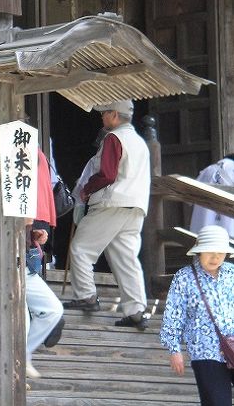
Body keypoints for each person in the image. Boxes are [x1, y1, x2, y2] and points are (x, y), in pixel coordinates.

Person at [63, 99, 151, 331]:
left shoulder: (114, 138)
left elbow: (107, 175)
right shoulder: (140, 143)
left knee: (81, 249)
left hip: (112, 203)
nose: (101, 118)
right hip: (136, 206)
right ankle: (136, 311)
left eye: (104, 114)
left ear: (113, 115)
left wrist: (86, 189)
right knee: (126, 259)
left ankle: (86, 297)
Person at [160, 225, 234, 405]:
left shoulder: (232, 274)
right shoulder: (184, 278)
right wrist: (174, 349)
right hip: (205, 351)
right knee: (217, 402)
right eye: (209, 251)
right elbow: (173, 315)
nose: (215, 257)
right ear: (199, 252)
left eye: (220, 252)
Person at [24, 148, 65, 379]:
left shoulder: (34, 152)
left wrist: (33, 232)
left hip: (24, 254)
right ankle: (21, 358)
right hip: (1, 256)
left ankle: (23, 355)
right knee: (23, 320)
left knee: (51, 310)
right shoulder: (28, 151)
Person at [190, 156, 234, 237]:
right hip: (228, 229)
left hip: (203, 228)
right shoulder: (231, 169)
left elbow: (190, 197)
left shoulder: (208, 169)